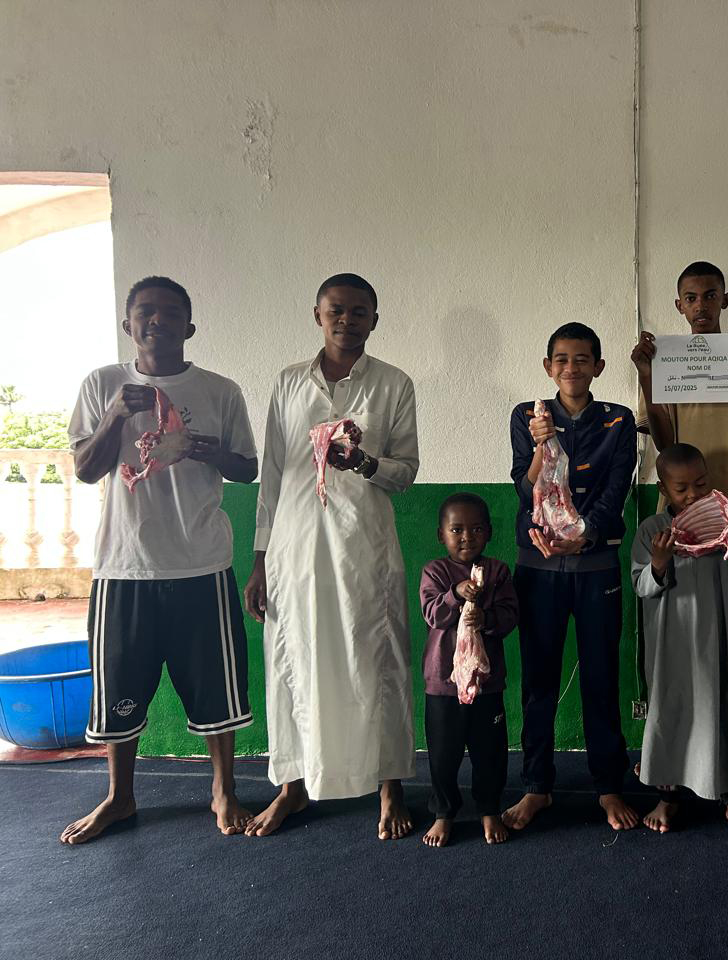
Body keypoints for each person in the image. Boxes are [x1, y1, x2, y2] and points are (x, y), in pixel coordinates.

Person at [61, 276, 258, 844]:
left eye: (171, 313)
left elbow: (247, 467)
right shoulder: (102, 384)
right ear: (128, 325)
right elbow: (85, 469)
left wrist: (210, 451)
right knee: (119, 688)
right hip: (124, 567)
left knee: (218, 691)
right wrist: (114, 417)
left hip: (202, 564)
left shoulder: (220, 391)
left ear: (189, 327)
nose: (157, 321)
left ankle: (223, 790)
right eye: (145, 312)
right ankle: (119, 796)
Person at [243, 273, 419, 840]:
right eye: (336, 310)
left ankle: (389, 784)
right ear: (317, 315)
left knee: (378, 656)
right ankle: (293, 784)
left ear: (375, 320)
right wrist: (259, 559)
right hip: (294, 548)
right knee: (293, 657)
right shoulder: (289, 383)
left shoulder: (393, 384)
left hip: (364, 546)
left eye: (359, 311)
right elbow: (273, 476)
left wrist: (363, 463)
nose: (347, 320)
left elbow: (406, 472)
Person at [632, 261, 728, 787]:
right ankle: (676, 756)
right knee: (678, 649)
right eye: (690, 298)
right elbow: (665, 444)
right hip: (679, 527)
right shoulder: (665, 360)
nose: (701, 306)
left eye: (710, 296)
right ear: (678, 306)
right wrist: (647, 377)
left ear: (725, 301)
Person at [502, 322, 639, 832]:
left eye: (582, 359)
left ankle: (609, 787)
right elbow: (525, 489)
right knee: (538, 679)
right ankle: (536, 787)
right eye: (561, 359)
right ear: (548, 366)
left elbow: (616, 490)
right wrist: (544, 445)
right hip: (538, 565)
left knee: (601, 676)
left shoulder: (618, 420)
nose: (571, 368)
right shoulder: (527, 415)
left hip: (595, 563)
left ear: (598, 367)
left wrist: (584, 534)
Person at [632, 443, 728, 839]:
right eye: (681, 488)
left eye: (701, 485)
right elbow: (641, 586)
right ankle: (668, 798)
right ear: (663, 489)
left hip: (713, 639)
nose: (693, 495)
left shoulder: (722, 523)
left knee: (721, 710)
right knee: (669, 713)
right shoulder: (652, 530)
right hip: (669, 645)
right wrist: (658, 562)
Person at [419, 493, 519, 847]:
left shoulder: (498, 572)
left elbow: (510, 615)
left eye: (476, 529)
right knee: (442, 754)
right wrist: (455, 595)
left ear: (489, 532)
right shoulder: (435, 572)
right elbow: (433, 614)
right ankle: (444, 812)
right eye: (456, 530)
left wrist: (486, 619)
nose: (467, 537)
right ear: (441, 535)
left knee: (489, 751)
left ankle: (489, 809)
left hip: (485, 682)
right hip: (443, 684)